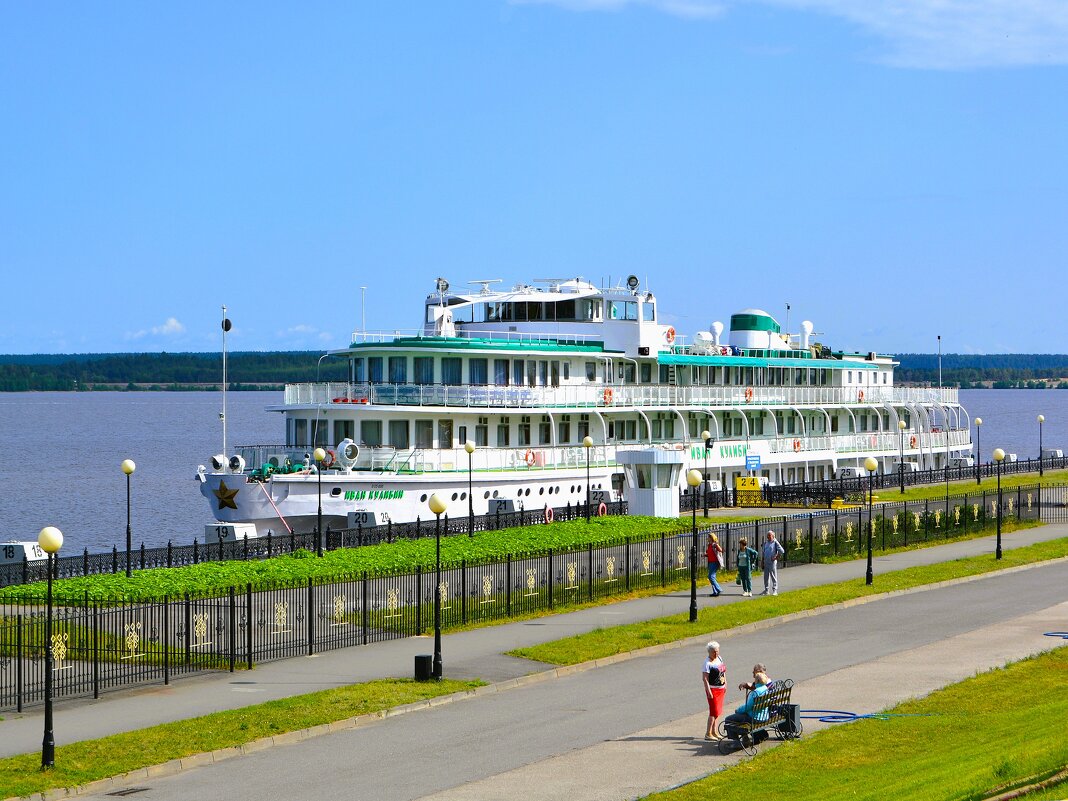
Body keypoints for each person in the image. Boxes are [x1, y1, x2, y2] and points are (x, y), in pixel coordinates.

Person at [723, 667, 771, 740]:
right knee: (740, 717)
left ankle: (736, 741)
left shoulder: (755, 692)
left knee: (728, 719)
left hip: (754, 718)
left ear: (757, 681)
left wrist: (738, 710)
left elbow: (748, 707)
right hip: (764, 717)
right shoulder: (766, 689)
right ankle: (745, 737)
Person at [701, 641, 727, 740]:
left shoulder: (719, 658)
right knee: (713, 711)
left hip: (721, 689)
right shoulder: (707, 663)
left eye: (717, 651)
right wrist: (709, 691)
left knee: (718, 712)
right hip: (713, 690)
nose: (716, 654)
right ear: (709, 652)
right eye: (714, 652)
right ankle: (708, 733)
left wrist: (726, 683)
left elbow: (723, 672)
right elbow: (705, 679)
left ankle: (714, 731)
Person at [760, 530, 785, 595]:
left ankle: (775, 590)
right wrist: (762, 562)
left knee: (773, 576)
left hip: (772, 562)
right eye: (767, 535)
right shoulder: (766, 543)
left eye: (769, 535)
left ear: (773, 536)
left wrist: (776, 557)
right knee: (766, 577)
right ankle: (766, 590)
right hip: (766, 562)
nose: (768, 536)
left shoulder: (775, 542)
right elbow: (763, 553)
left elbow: (781, 551)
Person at [705, 533, 724, 597]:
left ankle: (718, 589)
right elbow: (709, 554)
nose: (708, 538)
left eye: (709, 537)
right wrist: (705, 555)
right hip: (710, 562)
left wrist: (716, 545)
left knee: (710, 576)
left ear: (711, 538)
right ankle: (715, 592)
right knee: (712, 577)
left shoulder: (714, 544)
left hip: (715, 562)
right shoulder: (709, 545)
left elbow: (720, 550)